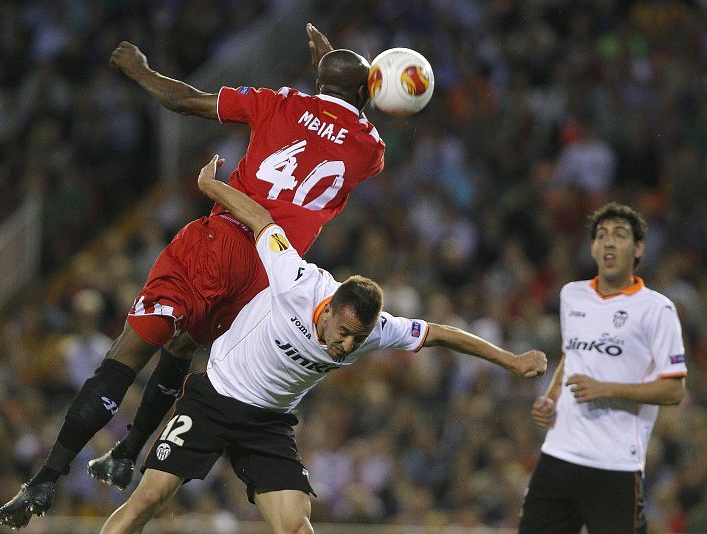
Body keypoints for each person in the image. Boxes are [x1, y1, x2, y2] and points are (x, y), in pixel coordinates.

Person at [0, 23, 387, 528]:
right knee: (184, 348)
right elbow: (347, 120)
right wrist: (341, 75)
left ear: (320, 82)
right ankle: (127, 451)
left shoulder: (281, 102)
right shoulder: (369, 149)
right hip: (267, 275)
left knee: (130, 351)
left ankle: (46, 479)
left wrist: (140, 71)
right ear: (363, 96)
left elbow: (184, 101)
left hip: (221, 241)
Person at [99, 155, 548, 533]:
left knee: (297, 526)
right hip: (215, 397)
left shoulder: (374, 331)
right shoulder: (297, 281)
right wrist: (209, 184)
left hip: (267, 423)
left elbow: (440, 333)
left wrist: (509, 360)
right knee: (149, 501)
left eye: (357, 338)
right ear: (329, 308)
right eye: (343, 332)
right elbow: (260, 219)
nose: (347, 345)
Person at [518, 202, 687, 534]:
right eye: (601, 235)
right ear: (593, 247)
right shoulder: (572, 296)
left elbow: (673, 389)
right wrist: (551, 399)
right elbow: (571, 356)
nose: (608, 242)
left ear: (638, 248)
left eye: (620, 235)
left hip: (615, 465)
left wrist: (606, 388)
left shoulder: (657, 310)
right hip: (558, 457)